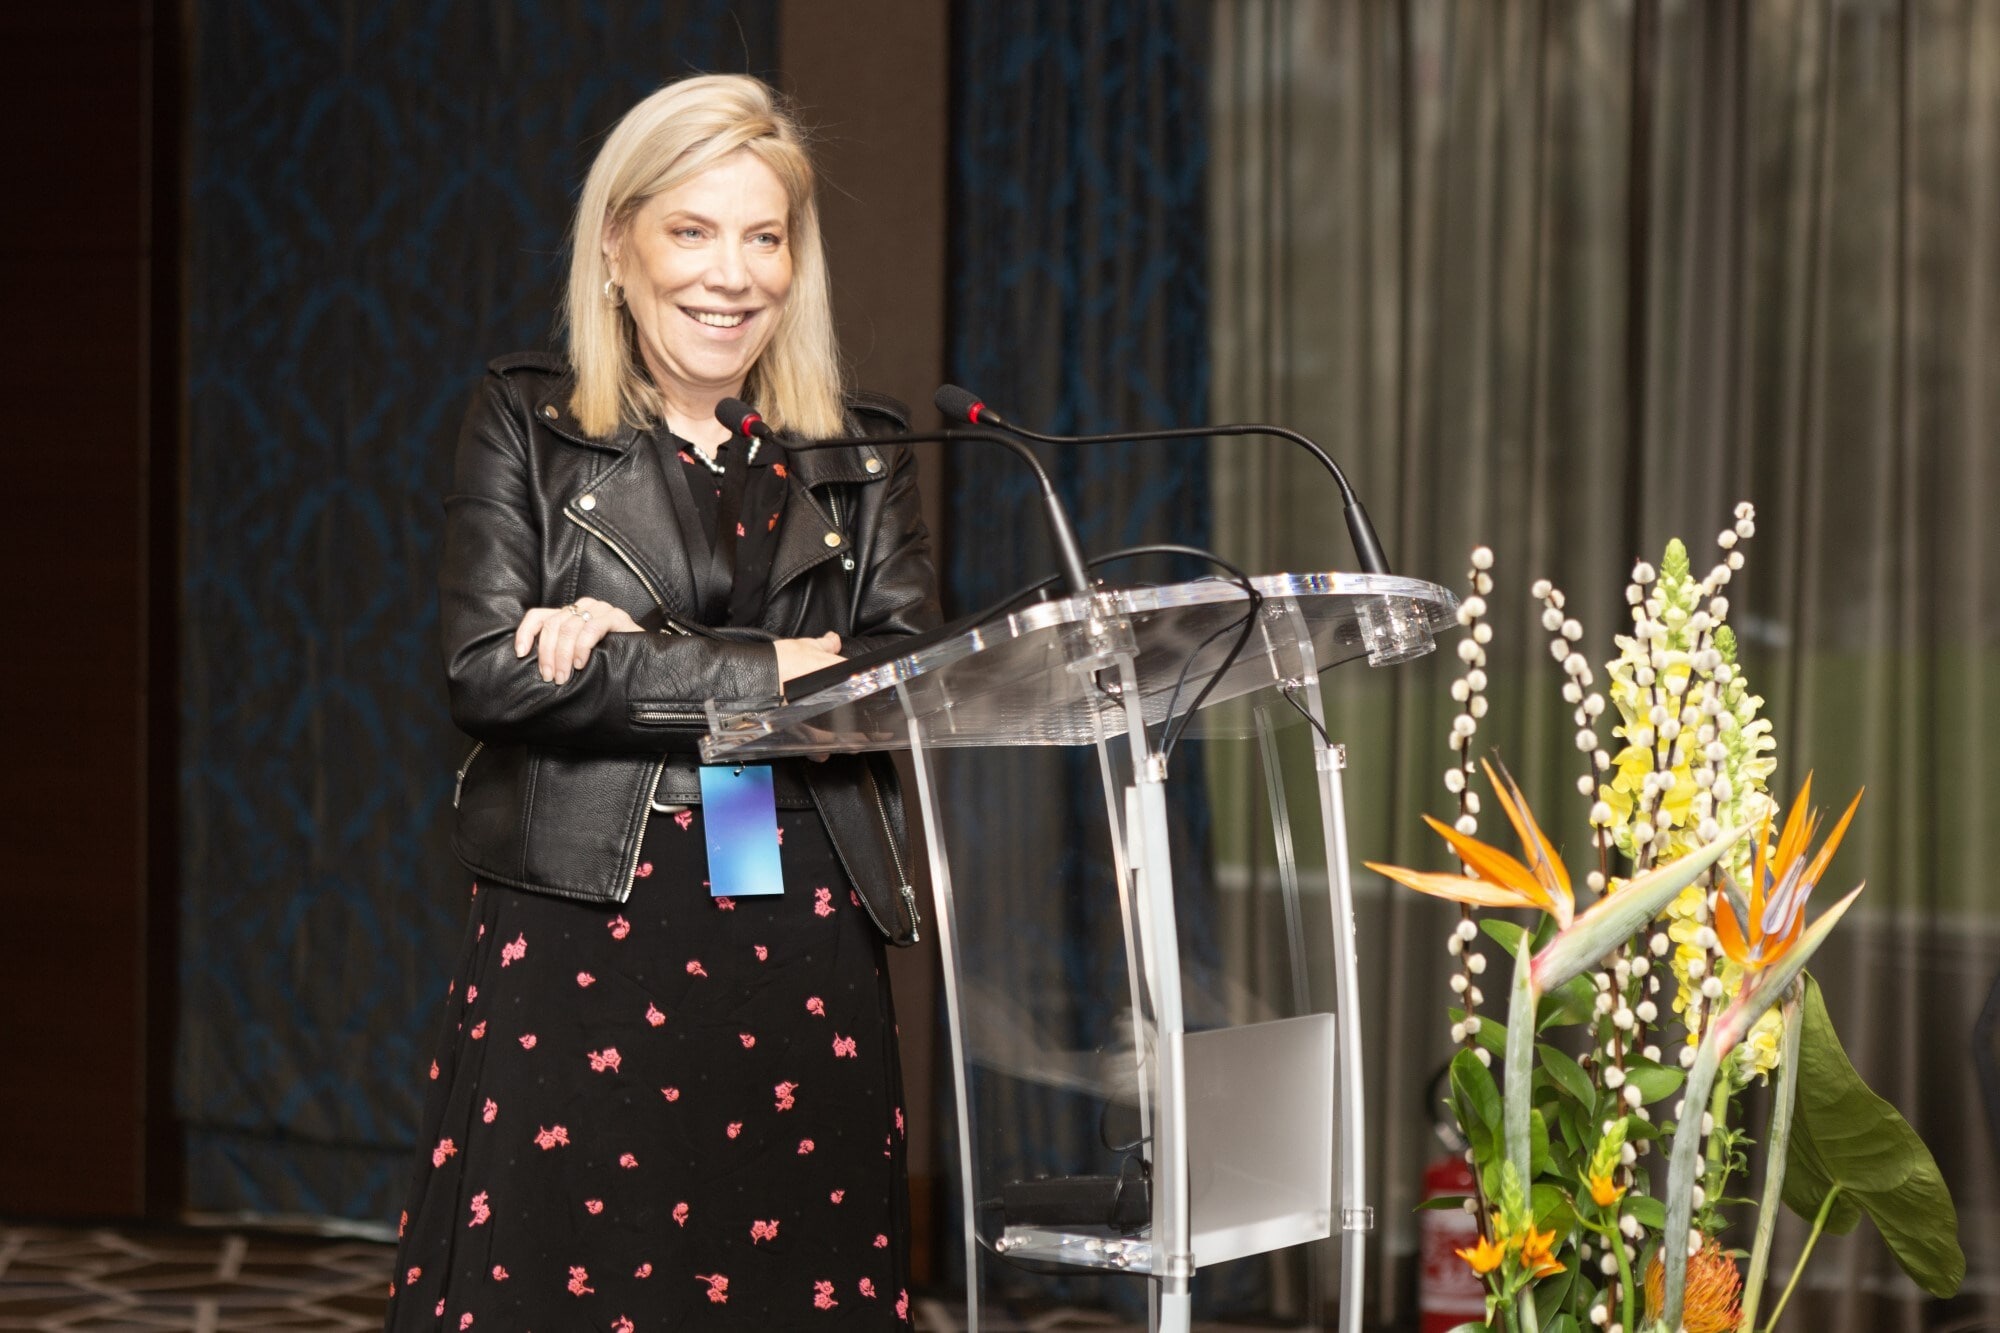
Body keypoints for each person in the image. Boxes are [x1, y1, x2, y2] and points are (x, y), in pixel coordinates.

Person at [385, 73, 938, 1330]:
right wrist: (776, 665)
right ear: (615, 245)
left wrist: (640, 647)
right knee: (570, 1275)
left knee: (788, 1282)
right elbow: (489, 671)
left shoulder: (858, 450)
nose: (731, 275)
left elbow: (902, 683)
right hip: (587, 919)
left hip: (801, 921)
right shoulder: (526, 421)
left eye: (764, 237)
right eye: (692, 230)